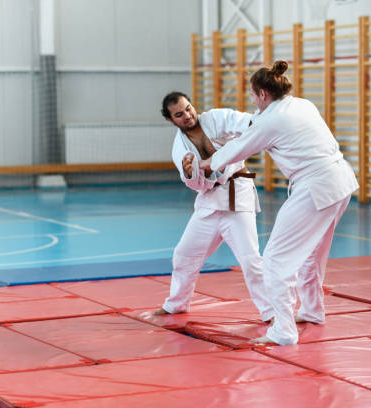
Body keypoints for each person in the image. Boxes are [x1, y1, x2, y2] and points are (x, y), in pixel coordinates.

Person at [199, 61, 359, 346]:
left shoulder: (271, 120)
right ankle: (312, 310)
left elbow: (239, 148)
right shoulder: (301, 104)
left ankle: (283, 330)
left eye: (252, 94)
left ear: (262, 93)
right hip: (341, 181)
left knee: (275, 260)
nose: (251, 100)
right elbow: (254, 130)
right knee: (313, 253)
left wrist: (208, 163)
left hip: (317, 187)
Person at [147, 91, 273, 321]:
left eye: (188, 108)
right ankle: (177, 303)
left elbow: (242, 121)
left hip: (236, 200)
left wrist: (258, 122)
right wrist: (189, 173)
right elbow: (196, 185)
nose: (187, 115)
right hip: (209, 204)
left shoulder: (215, 118)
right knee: (184, 255)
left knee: (250, 259)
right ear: (170, 120)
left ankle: (272, 312)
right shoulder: (180, 149)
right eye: (179, 114)